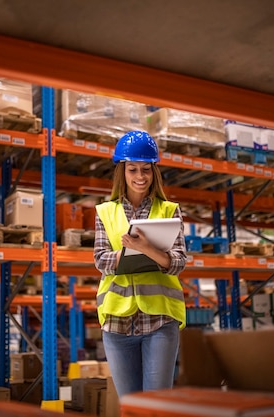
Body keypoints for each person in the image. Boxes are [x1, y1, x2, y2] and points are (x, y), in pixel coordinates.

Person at [93, 130, 187, 399]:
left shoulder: (169, 210)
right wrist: (132, 254)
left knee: (156, 406)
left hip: (159, 320)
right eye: (132, 169)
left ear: (154, 171)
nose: (140, 177)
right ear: (122, 171)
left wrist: (144, 249)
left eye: (146, 169)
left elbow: (179, 261)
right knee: (131, 406)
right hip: (117, 323)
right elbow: (101, 259)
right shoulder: (105, 211)